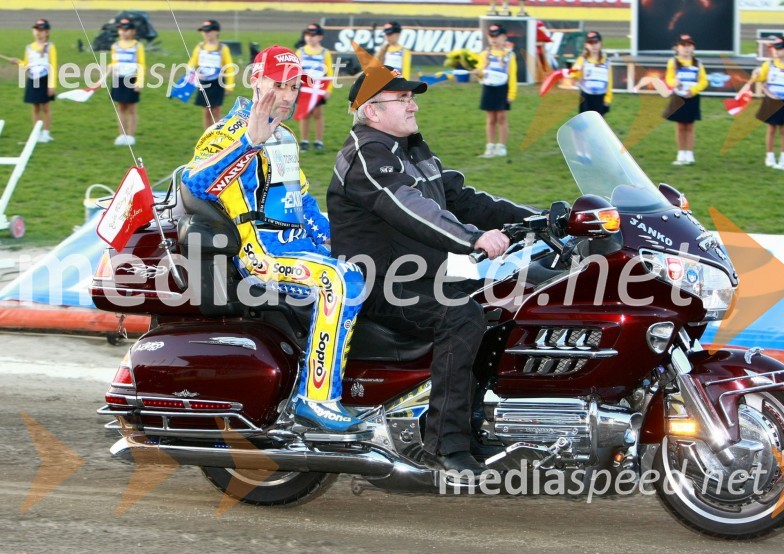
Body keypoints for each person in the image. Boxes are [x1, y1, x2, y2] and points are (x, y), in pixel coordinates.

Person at [327, 65, 539, 474]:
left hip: (421, 277)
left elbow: (463, 199)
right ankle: (444, 444)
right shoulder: (367, 154)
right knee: (460, 317)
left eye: (412, 98)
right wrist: (472, 238)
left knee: (500, 304)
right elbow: (410, 208)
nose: (413, 106)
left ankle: (474, 426)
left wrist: (540, 218)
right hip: (379, 283)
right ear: (372, 111)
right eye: (403, 99)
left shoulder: (410, 149)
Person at [181, 45, 366, 434]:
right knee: (341, 280)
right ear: (254, 81)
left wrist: (342, 242)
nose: (286, 95)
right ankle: (316, 400)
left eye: (294, 86)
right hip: (261, 256)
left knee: (367, 261)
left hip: (299, 248)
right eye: (278, 85)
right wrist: (249, 142)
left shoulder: (285, 136)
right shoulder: (224, 134)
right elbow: (196, 184)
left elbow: (303, 204)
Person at [738, 36, 784, 171]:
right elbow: (760, 77)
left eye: (780, 49)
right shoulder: (769, 64)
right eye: (775, 49)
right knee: (771, 129)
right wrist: (756, 74)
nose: (776, 51)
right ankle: (770, 156)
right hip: (771, 100)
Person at [663, 34, 708, 166]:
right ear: (677, 47)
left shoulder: (698, 63)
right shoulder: (673, 62)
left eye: (689, 45)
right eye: (683, 45)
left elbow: (704, 81)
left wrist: (693, 90)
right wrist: (674, 83)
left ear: (693, 48)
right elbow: (669, 78)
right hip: (678, 97)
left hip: (692, 97)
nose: (686, 48)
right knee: (680, 126)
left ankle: (689, 154)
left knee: (690, 126)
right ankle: (681, 153)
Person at [9, 19, 56, 143]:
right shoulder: (29, 48)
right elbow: (26, 65)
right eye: (36, 30)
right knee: (35, 107)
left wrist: (52, 85)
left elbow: (53, 65)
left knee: (46, 107)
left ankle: (46, 134)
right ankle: (36, 133)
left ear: (47, 32)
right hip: (32, 79)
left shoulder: (50, 47)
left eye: (41, 30)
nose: (38, 33)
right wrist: (17, 62)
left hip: (45, 79)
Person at [476, 24, 517, 158]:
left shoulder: (509, 55)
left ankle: (501, 146)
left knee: (501, 118)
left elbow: (512, 76)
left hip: (502, 89)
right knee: (490, 119)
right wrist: (478, 72)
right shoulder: (484, 54)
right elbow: (481, 73)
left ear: (504, 37)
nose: (494, 39)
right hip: (489, 88)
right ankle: (490, 145)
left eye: (497, 36)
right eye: (491, 36)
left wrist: (511, 94)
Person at [188, 19, 235, 129]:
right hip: (204, 83)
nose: (206, 33)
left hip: (217, 83)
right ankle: (207, 135)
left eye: (208, 31)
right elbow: (192, 63)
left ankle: (217, 135)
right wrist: (193, 74)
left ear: (216, 32)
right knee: (206, 111)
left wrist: (229, 86)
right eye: (203, 31)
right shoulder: (200, 47)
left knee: (216, 110)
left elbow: (229, 68)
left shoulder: (223, 49)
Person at [106, 18, 145, 146]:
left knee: (132, 108)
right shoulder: (115, 46)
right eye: (121, 29)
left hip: (131, 78)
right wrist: (110, 68)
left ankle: (131, 135)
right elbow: (114, 62)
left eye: (126, 29)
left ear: (133, 31)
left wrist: (139, 82)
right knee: (121, 107)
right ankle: (122, 135)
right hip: (118, 79)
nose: (123, 32)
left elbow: (141, 64)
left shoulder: (137, 46)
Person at [296, 23, 332, 152]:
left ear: (320, 37)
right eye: (307, 35)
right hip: (304, 88)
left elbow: (329, 73)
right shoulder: (300, 52)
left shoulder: (325, 53)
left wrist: (328, 90)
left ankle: (318, 141)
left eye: (313, 35)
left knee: (318, 114)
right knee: (305, 114)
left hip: (318, 88)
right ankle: (304, 141)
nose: (310, 37)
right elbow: (296, 70)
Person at [568, 31, 612, 117]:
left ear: (601, 43)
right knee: (585, 120)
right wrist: (576, 72)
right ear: (586, 45)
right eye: (590, 43)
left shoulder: (606, 61)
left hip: (600, 96)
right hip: (586, 96)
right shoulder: (582, 60)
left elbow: (609, 81)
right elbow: (573, 75)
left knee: (598, 120)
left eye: (596, 43)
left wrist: (608, 98)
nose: (593, 46)